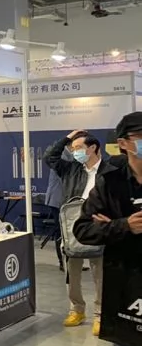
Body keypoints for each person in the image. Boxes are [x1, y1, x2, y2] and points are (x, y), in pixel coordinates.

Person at [73, 112, 142, 346]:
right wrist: (122, 226)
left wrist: (111, 224)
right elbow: (83, 229)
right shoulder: (111, 183)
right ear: (125, 143)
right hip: (127, 288)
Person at [45, 130, 119, 335]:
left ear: (92, 148)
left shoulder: (110, 170)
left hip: (98, 226)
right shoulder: (70, 170)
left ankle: (100, 314)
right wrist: (68, 138)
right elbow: (50, 157)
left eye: (78, 148)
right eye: (73, 148)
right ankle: (77, 309)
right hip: (73, 228)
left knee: (100, 273)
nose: (74, 151)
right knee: (72, 272)